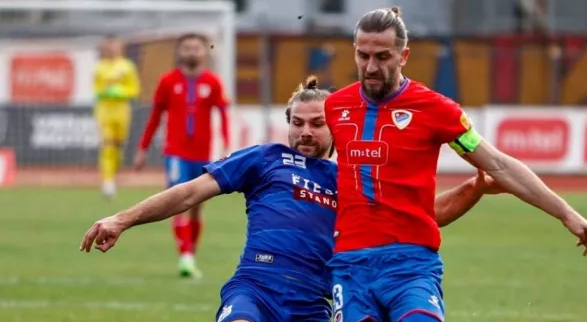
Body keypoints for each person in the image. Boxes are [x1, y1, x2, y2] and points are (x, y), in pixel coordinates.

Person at [80, 76, 504, 322]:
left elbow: (426, 217)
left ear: (335, 128)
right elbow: (189, 192)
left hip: (313, 303)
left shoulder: (353, 177)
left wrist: (475, 188)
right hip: (255, 289)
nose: (305, 131)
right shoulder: (264, 159)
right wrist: (123, 218)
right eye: (297, 123)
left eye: (316, 124)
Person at [323, 7, 587, 322]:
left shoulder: (436, 110)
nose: (371, 67)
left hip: (410, 264)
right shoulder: (335, 106)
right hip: (350, 266)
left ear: (404, 56)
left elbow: (498, 165)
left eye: (383, 57)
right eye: (363, 56)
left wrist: (566, 213)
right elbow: (309, 169)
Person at [134, 33, 231, 279]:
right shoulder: (167, 81)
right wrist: (143, 148)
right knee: (178, 201)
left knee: (197, 206)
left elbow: (223, 116)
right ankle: (185, 256)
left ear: (204, 52)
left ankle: (190, 254)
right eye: (186, 47)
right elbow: (155, 116)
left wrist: (226, 145)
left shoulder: (213, 82)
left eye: (196, 48)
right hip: (175, 152)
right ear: (179, 52)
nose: (191, 52)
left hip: (204, 154)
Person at [93, 35, 141, 199]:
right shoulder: (100, 67)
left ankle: (113, 175)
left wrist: (120, 91)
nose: (112, 49)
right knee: (107, 145)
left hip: (122, 111)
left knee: (119, 147)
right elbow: (96, 91)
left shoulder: (127, 67)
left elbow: (134, 90)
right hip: (105, 110)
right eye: (109, 46)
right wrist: (105, 92)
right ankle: (107, 182)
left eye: (115, 45)